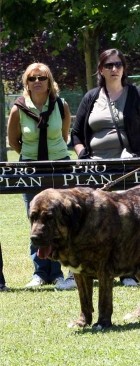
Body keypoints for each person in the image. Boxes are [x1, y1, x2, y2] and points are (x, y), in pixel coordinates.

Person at [71, 49, 140, 287]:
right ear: (101, 70)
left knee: (129, 221)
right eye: (109, 65)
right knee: (96, 220)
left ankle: (129, 272)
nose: (114, 69)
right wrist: (83, 156)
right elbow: (76, 133)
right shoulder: (91, 97)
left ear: (124, 68)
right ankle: (96, 269)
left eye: (118, 64)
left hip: (129, 167)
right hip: (97, 168)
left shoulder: (137, 95)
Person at [7, 62, 76, 290]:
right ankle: (39, 273)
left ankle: (57, 272)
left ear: (49, 82)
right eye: (32, 78)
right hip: (31, 169)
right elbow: (14, 141)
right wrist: (30, 157)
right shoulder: (18, 108)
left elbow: (64, 135)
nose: (37, 82)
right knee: (35, 218)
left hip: (58, 166)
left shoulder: (60, 105)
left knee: (59, 218)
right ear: (26, 82)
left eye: (42, 78)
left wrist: (53, 155)